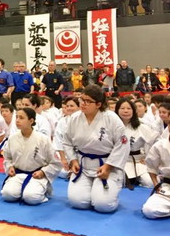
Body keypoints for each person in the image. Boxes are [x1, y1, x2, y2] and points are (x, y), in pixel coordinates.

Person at [63, 85, 129, 213]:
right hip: (83, 166)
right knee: (77, 202)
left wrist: (108, 167)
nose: (83, 103)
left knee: (103, 205)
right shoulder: (75, 118)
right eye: (82, 99)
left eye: (88, 101)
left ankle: (111, 190)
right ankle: (93, 190)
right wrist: (73, 160)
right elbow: (67, 142)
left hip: (106, 165)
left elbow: (122, 145)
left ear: (98, 104)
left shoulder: (111, 118)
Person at [1, 108, 61, 204]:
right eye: (16, 117)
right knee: (7, 195)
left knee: (31, 197)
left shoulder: (43, 139)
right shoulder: (12, 138)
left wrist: (43, 172)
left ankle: (41, 191)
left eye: (21, 118)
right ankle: (23, 191)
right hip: (18, 174)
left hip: (36, 175)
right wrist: (10, 166)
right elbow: (7, 157)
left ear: (31, 121)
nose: (17, 120)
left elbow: (55, 163)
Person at [115, 97, 158, 189]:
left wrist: (148, 158)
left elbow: (156, 142)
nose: (125, 111)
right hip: (118, 161)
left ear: (133, 111)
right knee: (118, 182)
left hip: (138, 161)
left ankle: (136, 178)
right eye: (122, 108)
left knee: (149, 182)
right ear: (117, 110)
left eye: (129, 108)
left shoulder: (141, 126)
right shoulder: (112, 126)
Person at [142, 102, 170, 219]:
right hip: (167, 186)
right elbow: (151, 167)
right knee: (149, 210)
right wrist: (156, 184)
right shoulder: (160, 145)